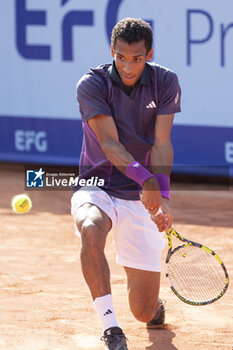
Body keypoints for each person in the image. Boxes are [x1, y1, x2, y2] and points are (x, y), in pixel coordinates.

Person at [71, 17, 181, 349]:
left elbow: (162, 143)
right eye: (120, 57)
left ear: (149, 54)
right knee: (91, 227)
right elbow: (109, 144)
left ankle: (153, 308)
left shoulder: (165, 81)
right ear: (112, 52)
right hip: (97, 184)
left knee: (143, 310)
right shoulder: (91, 84)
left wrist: (161, 194)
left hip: (139, 195)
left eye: (136, 58)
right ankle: (111, 329)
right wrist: (145, 178)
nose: (127, 66)